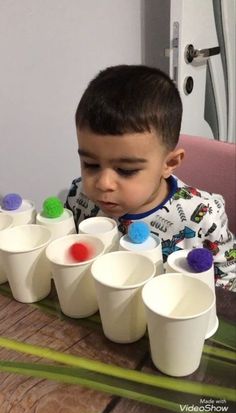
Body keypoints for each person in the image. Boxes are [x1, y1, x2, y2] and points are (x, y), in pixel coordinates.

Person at [65, 64, 235, 291]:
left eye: (125, 170)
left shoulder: (204, 217)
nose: (103, 183)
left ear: (169, 164)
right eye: (90, 164)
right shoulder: (80, 198)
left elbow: (229, 281)